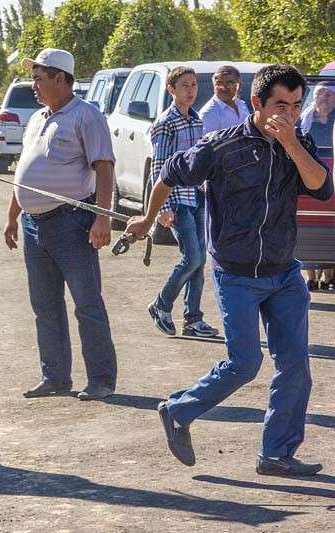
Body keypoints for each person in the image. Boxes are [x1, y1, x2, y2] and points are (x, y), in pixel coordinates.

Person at [127, 65, 333, 476]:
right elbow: (166, 174)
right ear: (256, 104)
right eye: (280, 106)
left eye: (296, 106)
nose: (289, 114)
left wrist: (292, 143)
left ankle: (276, 454)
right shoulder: (221, 146)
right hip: (236, 273)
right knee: (244, 363)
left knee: (295, 367)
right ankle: (178, 409)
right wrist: (149, 218)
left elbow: (322, 187)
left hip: (284, 273)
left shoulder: (299, 141)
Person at [5, 49, 117, 401]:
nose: (33, 85)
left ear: (61, 79)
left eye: (38, 78)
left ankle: (101, 380)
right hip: (34, 227)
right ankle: (55, 376)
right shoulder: (38, 118)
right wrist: (13, 215)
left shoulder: (87, 117)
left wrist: (102, 217)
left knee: (86, 303)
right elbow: (24, 171)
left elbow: (104, 168)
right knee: (44, 305)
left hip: (72, 222)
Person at [146, 67, 219, 338]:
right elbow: (159, 167)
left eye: (193, 85)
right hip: (176, 198)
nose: (190, 90)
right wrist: (161, 208)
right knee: (192, 257)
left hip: (196, 195)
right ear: (171, 90)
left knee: (200, 261)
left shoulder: (196, 120)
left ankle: (193, 318)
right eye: (184, 85)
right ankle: (161, 304)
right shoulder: (166, 122)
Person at [299, 83, 335, 291]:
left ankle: (329, 276)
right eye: (320, 93)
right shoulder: (306, 118)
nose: (323, 98)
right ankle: (310, 277)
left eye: (328, 94)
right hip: (310, 172)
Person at [200, 65, 251, 134]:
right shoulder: (209, 113)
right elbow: (207, 143)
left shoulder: (242, 105)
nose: (224, 87)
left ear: (239, 85)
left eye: (229, 83)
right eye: (219, 83)